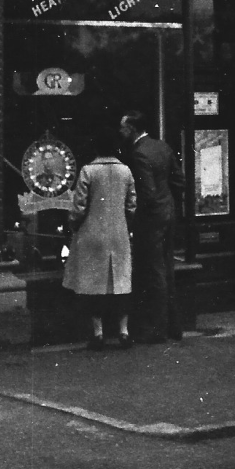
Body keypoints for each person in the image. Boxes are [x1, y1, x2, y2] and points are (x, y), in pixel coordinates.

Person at [62, 131, 136, 350]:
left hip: (92, 235)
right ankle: (124, 331)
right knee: (121, 284)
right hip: (119, 234)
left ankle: (98, 333)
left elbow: (79, 207)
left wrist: (73, 225)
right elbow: (132, 205)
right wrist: (126, 224)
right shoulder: (126, 171)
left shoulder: (88, 171)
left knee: (94, 287)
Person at [119, 110, 185, 343]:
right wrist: (168, 204)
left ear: (133, 129)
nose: (121, 132)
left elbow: (147, 193)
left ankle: (158, 329)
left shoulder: (138, 154)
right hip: (168, 214)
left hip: (151, 219)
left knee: (154, 271)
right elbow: (179, 180)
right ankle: (174, 325)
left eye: (124, 128)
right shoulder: (162, 147)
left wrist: (136, 218)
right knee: (167, 268)